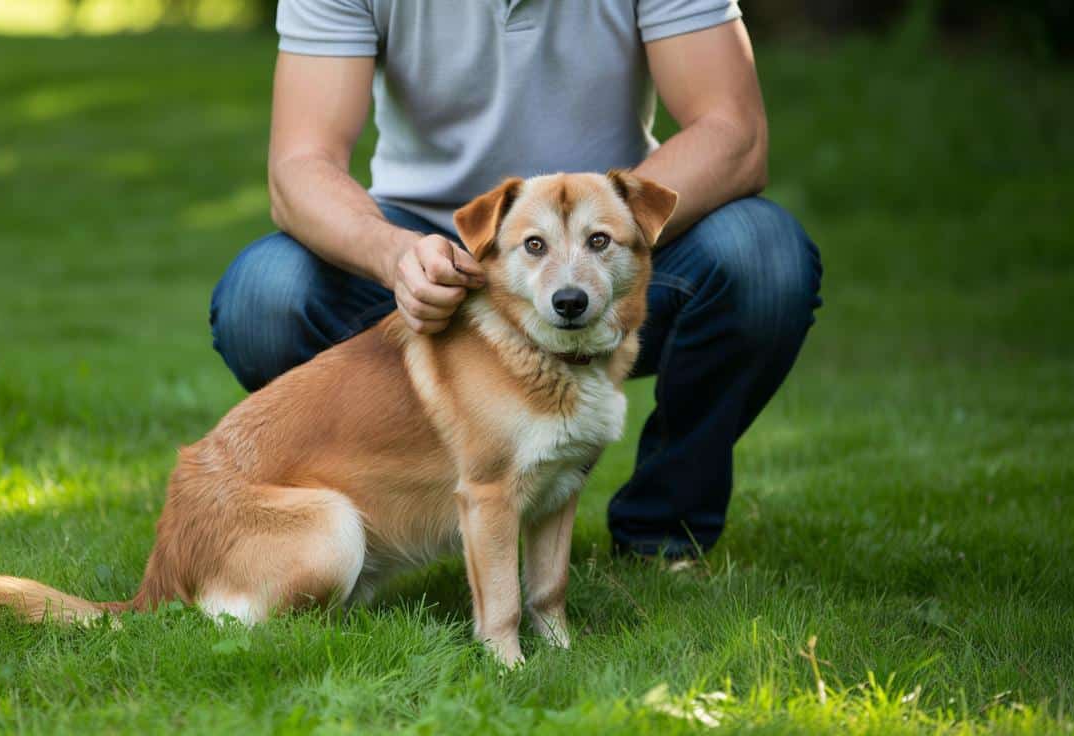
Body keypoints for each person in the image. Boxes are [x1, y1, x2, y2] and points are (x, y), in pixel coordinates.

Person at [209, 0, 822, 562]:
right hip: (427, 239)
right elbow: (299, 166)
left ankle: (663, 533)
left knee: (762, 256)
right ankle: (370, 520)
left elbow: (734, 133)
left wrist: (607, 225)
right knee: (265, 295)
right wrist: (393, 253)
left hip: (598, 251)